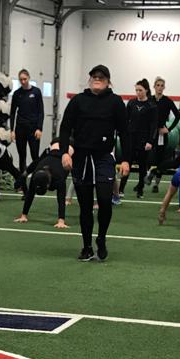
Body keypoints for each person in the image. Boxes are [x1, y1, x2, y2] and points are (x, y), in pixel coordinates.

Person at [58, 64, 129, 262]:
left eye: (101, 77)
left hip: (104, 157)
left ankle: (101, 239)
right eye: (94, 76)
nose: (97, 79)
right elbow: (65, 128)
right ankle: (87, 246)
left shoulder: (115, 102)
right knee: (85, 206)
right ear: (89, 80)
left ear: (108, 81)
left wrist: (126, 159)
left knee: (105, 201)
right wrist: (64, 153)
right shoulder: (78, 101)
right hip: (81, 158)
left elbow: (125, 132)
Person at [14, 142, 71, 229]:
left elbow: (61, 197)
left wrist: (61, 220)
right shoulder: (35, 176)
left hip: (67, 149)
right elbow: (30, 195)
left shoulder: (59, 177)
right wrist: (23, 215)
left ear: (48, 185)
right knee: (38, 160)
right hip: (52, 150)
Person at [121, 79, 158, 199]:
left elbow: (154, 126)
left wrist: (150, 141)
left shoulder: (151, 106)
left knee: (142, 166)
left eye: (140, 90)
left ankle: (140, 190)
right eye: (136, 90)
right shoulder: (131, 103)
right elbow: (125, 121)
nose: (138, 92)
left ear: (146, 90)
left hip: (144, 140)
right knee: (127, 163)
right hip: (131, 138)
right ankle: (121, 189)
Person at [146, 76, 180, 191]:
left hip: (161, 134)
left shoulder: (167, 101)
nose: (160, 87)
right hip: (149, 133)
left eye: (162, 86)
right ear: (154, 87)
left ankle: (156, 184)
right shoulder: (149, 100)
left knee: (160, 160)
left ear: (164, 87)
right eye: (158, 85)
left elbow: (178, 116)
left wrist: (169, 129)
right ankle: (145, 179)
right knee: (147, 156)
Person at [10, 69, 44, 187]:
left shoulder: (36, 92)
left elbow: (41, 112)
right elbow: (12, 113)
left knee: (35, 156)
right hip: (20, 129)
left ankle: (36, 182)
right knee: (22, 156)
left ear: (29, 78)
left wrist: (39, 128)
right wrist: (12, 130)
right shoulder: (17, 94)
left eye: (25, 79)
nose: (23, 81)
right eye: (21, 80)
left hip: (33, 129)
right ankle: (23, 185)